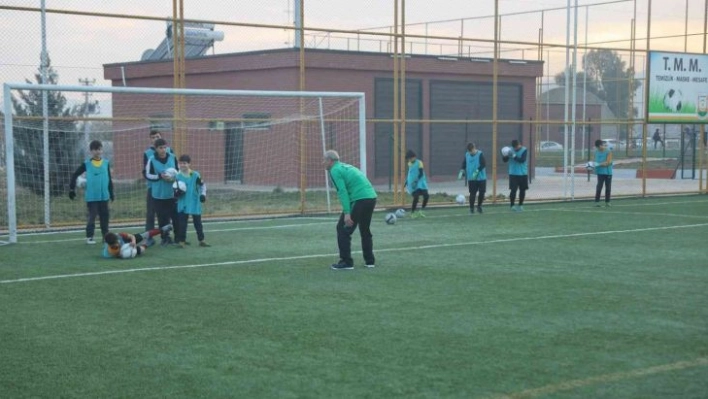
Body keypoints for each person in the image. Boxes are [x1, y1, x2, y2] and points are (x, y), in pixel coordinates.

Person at [324, 150, 377, 270]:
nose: (323, 163)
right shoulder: (346, 166)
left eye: (324, 160)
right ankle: (370, 261)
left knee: (343, 229)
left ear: (330, 161)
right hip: (371, 197)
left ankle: (346, 262)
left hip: (360, 199)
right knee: (365, 229)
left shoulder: (335, 170)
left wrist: (347, 213)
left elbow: (342, 192)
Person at [69, 140, 114, 244]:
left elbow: (109, 179)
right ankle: (89, 237)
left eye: (99, 149)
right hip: (92, 197)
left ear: (102, 150)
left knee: (105, 217)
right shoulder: (87, 164)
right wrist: (72, 189)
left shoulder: (106, 163)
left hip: (104, 196)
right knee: (92, 217)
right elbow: (75, 174)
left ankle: (105, 237)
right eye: (95, 150)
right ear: (91, 151)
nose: (98, 151)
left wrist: (111, 192)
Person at [144, 138, 178, 245]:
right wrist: (160, 176)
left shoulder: (172, 157)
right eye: (160, 148)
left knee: (175, 216)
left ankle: (178, 238)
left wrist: (174, 178)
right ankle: (165, 238)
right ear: (156, 149)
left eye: (164, 147)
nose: (163, 150)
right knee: (162, 218)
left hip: (172, 193)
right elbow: (147, 174)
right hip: (158, 194)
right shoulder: (151, 159)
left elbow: (178, 172)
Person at [173, 154, 210, 248]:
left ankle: (201, 240)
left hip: (194, 202)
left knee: (197, 223)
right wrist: (176, 194)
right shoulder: (178, 176)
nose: (182, 165)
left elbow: (202, 185)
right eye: (180, 163)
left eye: (184, 163)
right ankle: (182, 241)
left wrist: (203, 194)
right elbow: (175, 188)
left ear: (189, 164)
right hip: (183, 202)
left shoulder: (195, 174)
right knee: (182, 223)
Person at [143, 130, 174, 231]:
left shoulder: (170, 151)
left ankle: (167, 235)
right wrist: (159, 176)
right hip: (153, 187)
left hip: (168, 187)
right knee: (151, 213)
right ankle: (149, 237)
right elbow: (146, 172)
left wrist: (172, 178)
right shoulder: (147, 154)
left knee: (168, 212)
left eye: (157, 137)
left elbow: (175, 169)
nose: (155, 139)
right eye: (153, 137)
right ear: (150, 140)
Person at [102, 225, 171, 259]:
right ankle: (149, 242)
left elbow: (132, 236)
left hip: (126, 241)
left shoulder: (120, 235)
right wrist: (121, 254)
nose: (117, 241)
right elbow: (115, 255)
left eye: (117, 240)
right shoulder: (109, 251)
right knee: (139, 250)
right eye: (116, 242)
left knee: (142, 235)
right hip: (124, 249)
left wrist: (133, 242)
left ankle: (162, 229)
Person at [459, 143, 487, 214]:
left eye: (472, 151)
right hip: (471, 178)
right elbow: (464, 163)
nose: (471, 153)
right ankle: (471, 209)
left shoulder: (480, 154)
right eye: (469, 151)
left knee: (482, 192)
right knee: (472, 193)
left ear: (474, 148)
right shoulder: (467, 154)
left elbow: (483, 164)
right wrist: (462, 170)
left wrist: (477, 171)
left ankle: (479, 206)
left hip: (481, 178)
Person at [502, 139, 528, 211]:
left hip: (523, 173)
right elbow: (505, 160)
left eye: (517, 147)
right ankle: (512, 205)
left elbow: (522, 160)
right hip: (513, 173)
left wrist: (514, 156)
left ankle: (520, 205)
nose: (516, 148)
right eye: (514, 147)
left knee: (522, 190)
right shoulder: (510, 150)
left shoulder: (524, 150)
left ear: (519, 144)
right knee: (513, 190)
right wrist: (505, 155)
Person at [404, 150, 429, 218]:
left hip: (420, 182)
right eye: (408, 159)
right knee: (416, 197)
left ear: (414, 157)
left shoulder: (419, 162)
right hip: (412, 184)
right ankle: (412, 212)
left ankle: (421, 211)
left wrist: (416, 181)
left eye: (411, 158)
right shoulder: (409, 164)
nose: (410, 160)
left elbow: (420, 173)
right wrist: (406, 181)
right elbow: (410, 173)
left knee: (426, 196)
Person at [594, 139, 613, 207]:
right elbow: (595, 162)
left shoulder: (608, 151)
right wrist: (594, 166)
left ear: (601, 145)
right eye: (598, 148)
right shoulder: (596, 152)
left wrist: (598, 164)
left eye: (600, 147)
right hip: (600, 172)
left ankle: (607, 202)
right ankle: (597, 202)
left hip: (608, 172)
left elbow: (608, 163)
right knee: (599, 187)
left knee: (608, 188)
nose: (599, 149)